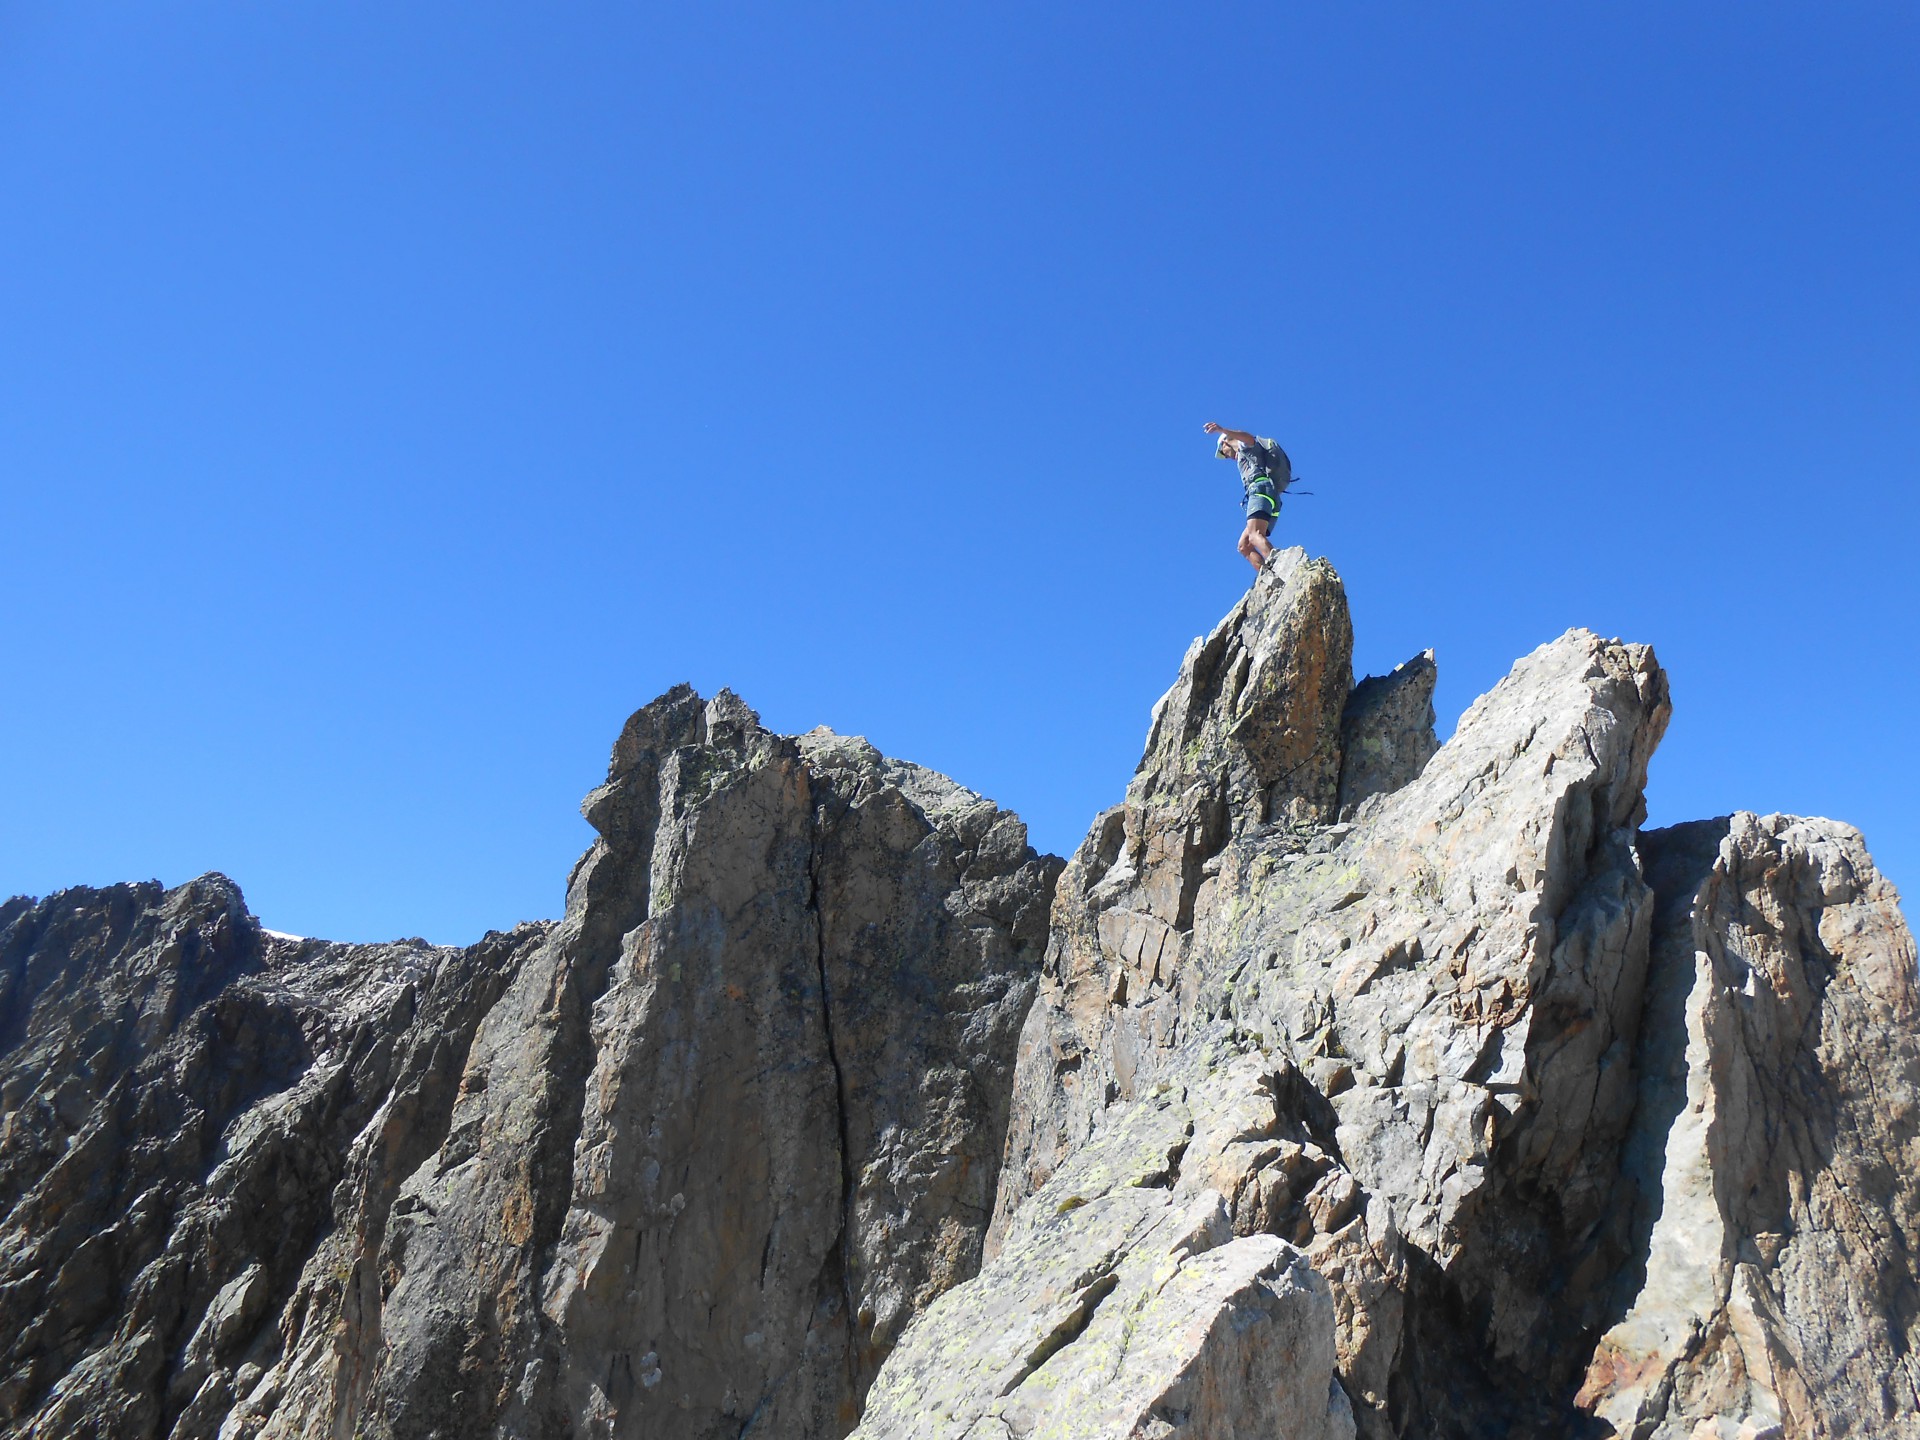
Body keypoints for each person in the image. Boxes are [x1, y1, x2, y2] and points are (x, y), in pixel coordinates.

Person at [1203, 422, 1292, 574]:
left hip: (1260, 491)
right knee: (1244, 545)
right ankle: (1268, 576)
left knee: (1254, 535)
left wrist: (1222, 430)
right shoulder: (1243, 457)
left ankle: (1282, 567)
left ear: (1226, 443)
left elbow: (1248, 437)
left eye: (1223, 452)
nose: (1226, 457)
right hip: (1270, 496)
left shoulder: (1245, 447)